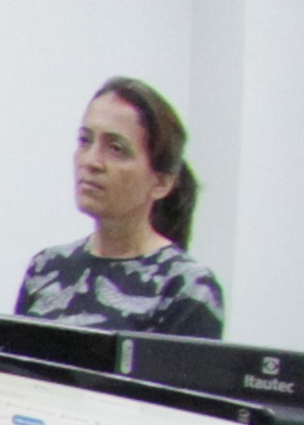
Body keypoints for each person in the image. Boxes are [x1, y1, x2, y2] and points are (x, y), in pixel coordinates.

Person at [16, 77, 223, 338]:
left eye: (116, 148)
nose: (91, 161)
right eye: (84, 140)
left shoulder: (185, 287)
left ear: (160, 182)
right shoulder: (46, 267)